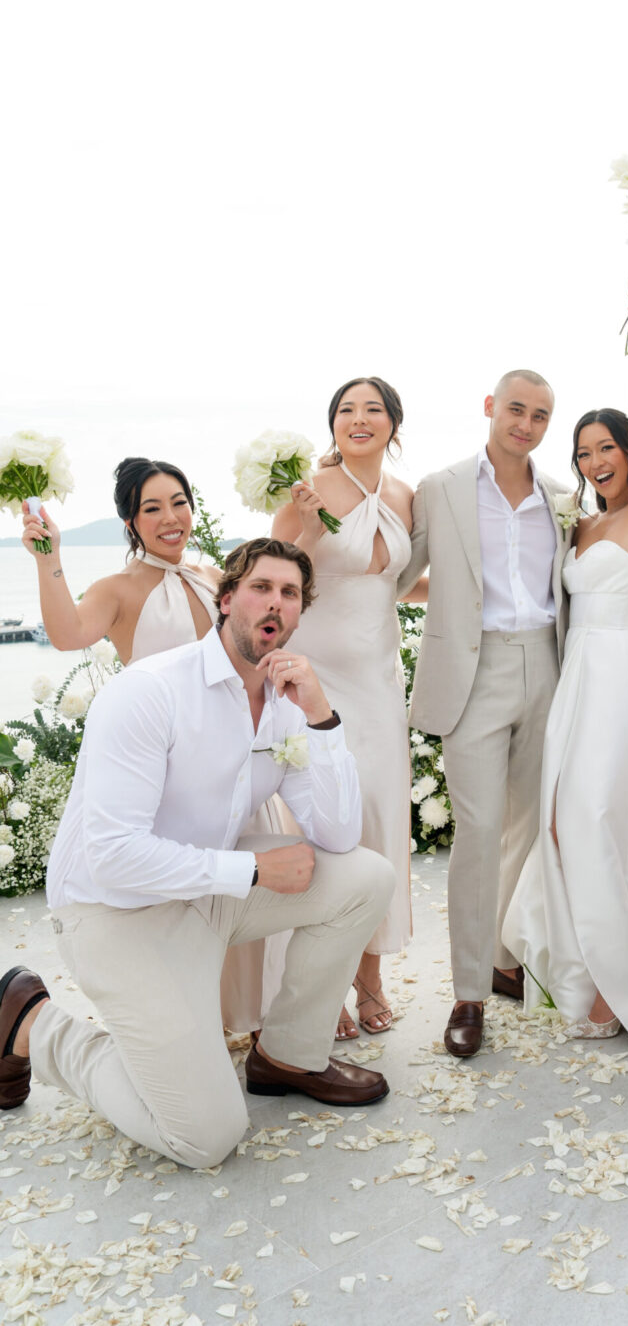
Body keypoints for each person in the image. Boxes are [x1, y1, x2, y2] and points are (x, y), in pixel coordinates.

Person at [0, 539, 395, 1161]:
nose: (275, 602)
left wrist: (321, 718)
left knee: (365, 876)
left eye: (290, 593)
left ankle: (288, 1057)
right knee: (205, 1138)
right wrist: (254, 869)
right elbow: (112, 856)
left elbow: (340, 837)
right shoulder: (151, 690)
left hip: (207, 892)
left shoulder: (288, 701)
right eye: (261, 587)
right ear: (227, 599)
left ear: (299, 613)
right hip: (115, 913)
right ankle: (34, 1024)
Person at [503, 276, 628, 1043]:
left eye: (606, 447)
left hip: (621, 677)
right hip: (575, 680)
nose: (594, 461)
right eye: (583, 452)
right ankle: (589, 966)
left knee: (597, 817)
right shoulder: (578, 526)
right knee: (563, 821)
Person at [397, 369, 568, 1057]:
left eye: (540, 415)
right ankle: (468, 993)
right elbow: (399, 576)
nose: (526, 424)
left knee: (529, 827)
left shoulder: (562, 496)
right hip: (473, 672)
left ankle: (503, 956)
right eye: (516, 409)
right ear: (491, 406)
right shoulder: (440, 487)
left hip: (549, 664)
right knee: (479, 830)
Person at [272, 376, 422, 1040]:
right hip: (317, 682)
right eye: (346, 409)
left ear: (393, 423)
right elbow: (275, 578)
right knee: (322, 827)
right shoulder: (306, 490)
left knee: (379, 825)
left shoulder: (405, 496)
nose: (359, 418)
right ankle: (320, 983)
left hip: (380, 684)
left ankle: (370, 977)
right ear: (332, 422)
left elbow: (397, 582)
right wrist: (307, 528)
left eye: (373, 409)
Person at [21, 457, 218, 661]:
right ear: (130, 523)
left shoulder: (216, 578)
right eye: (152, 509)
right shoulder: (115, 591)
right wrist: (48, 559)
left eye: (179, 503)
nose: (170, 518)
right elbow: (67, 638)